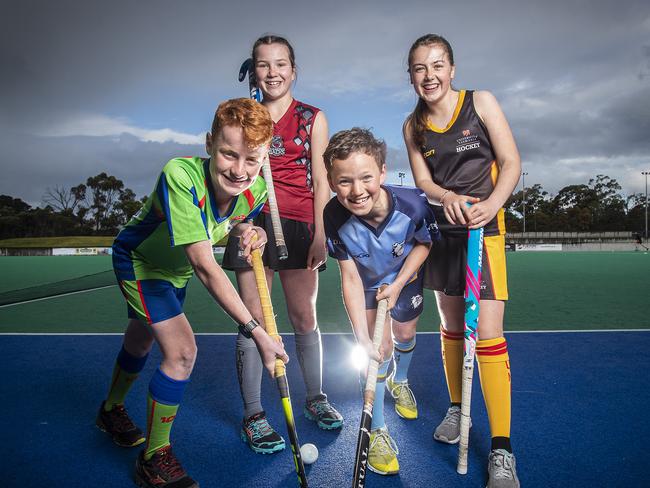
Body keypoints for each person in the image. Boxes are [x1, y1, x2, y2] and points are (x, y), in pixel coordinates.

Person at [96, 98, 289, 488]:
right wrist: (259, 333)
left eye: (252, 160)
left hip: (176, 270)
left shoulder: (257, 191)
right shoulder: (180, 175)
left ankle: (110, 409)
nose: (239, 170)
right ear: (209, 144)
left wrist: (254, 232)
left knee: (141, 339)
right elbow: (205, 264)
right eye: (229, 154)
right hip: (141, 263)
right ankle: (153, 457)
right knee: (182, 351)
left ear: (264, 157)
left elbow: (235, 223)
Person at [403, 34, 522, 487]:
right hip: (443, 233)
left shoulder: (481, 103)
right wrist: (446, 196)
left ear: (452, 69)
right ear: (410, 75)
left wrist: (491, 204)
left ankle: (501, 449)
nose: (428, 76)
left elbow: (510, 162)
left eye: (437, 66)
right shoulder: (412, 125)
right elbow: (422, 181)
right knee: (452, 327)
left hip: (484, 232)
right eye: (419, 68)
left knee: (488, 334)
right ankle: (459, 410)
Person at [221, 34, 342, 455]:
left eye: (280, 64)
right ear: (253, 70)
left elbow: (322, 180)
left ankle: (315, 398)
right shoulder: (243, 117)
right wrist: (238, 222)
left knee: (302, 315)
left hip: (299, 225)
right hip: (251, 222)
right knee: (254, 319)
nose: (272, 73)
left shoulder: (312, 118)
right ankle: (254, 415)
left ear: (293, 69)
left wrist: (321, 233)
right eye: (263, 64)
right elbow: (227, 172)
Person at [323, 128, 437, 475]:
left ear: (383, 172)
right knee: (377, 349)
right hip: (368, 283)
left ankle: (399, 381)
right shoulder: (333, 216)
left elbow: (424, 243)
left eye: (366, 178)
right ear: (330, 180)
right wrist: (361, 337)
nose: (357, 191)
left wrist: (401, 282)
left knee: (404, 333)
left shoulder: (413, 203)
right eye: (344, 181)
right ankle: (379, 431)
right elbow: (350, 278)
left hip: (405, 277)